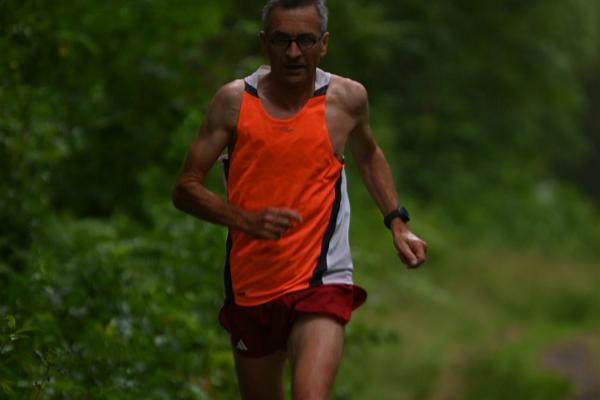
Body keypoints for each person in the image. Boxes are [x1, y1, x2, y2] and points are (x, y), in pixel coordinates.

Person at [172, 0, 427, 398]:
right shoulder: (234, 102)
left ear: (323, 43)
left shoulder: (346, 99)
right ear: (264, 43)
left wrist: (397, 221)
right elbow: (185, 188)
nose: (293, 52)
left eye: (305, 40)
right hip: (252, 283)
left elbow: (368, 154)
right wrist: (244, 220)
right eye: (282, 40)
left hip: (322, 278)